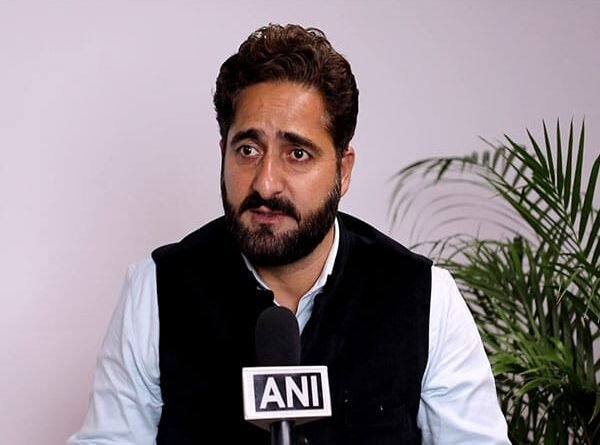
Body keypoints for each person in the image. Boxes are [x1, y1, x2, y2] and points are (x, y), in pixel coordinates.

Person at [67, 23, 511, 444]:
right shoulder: (156, 289)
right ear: (223, 153)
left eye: (297, 153)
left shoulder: (424, 297)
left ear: (343, 170)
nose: (265, 184)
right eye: (247, 149)